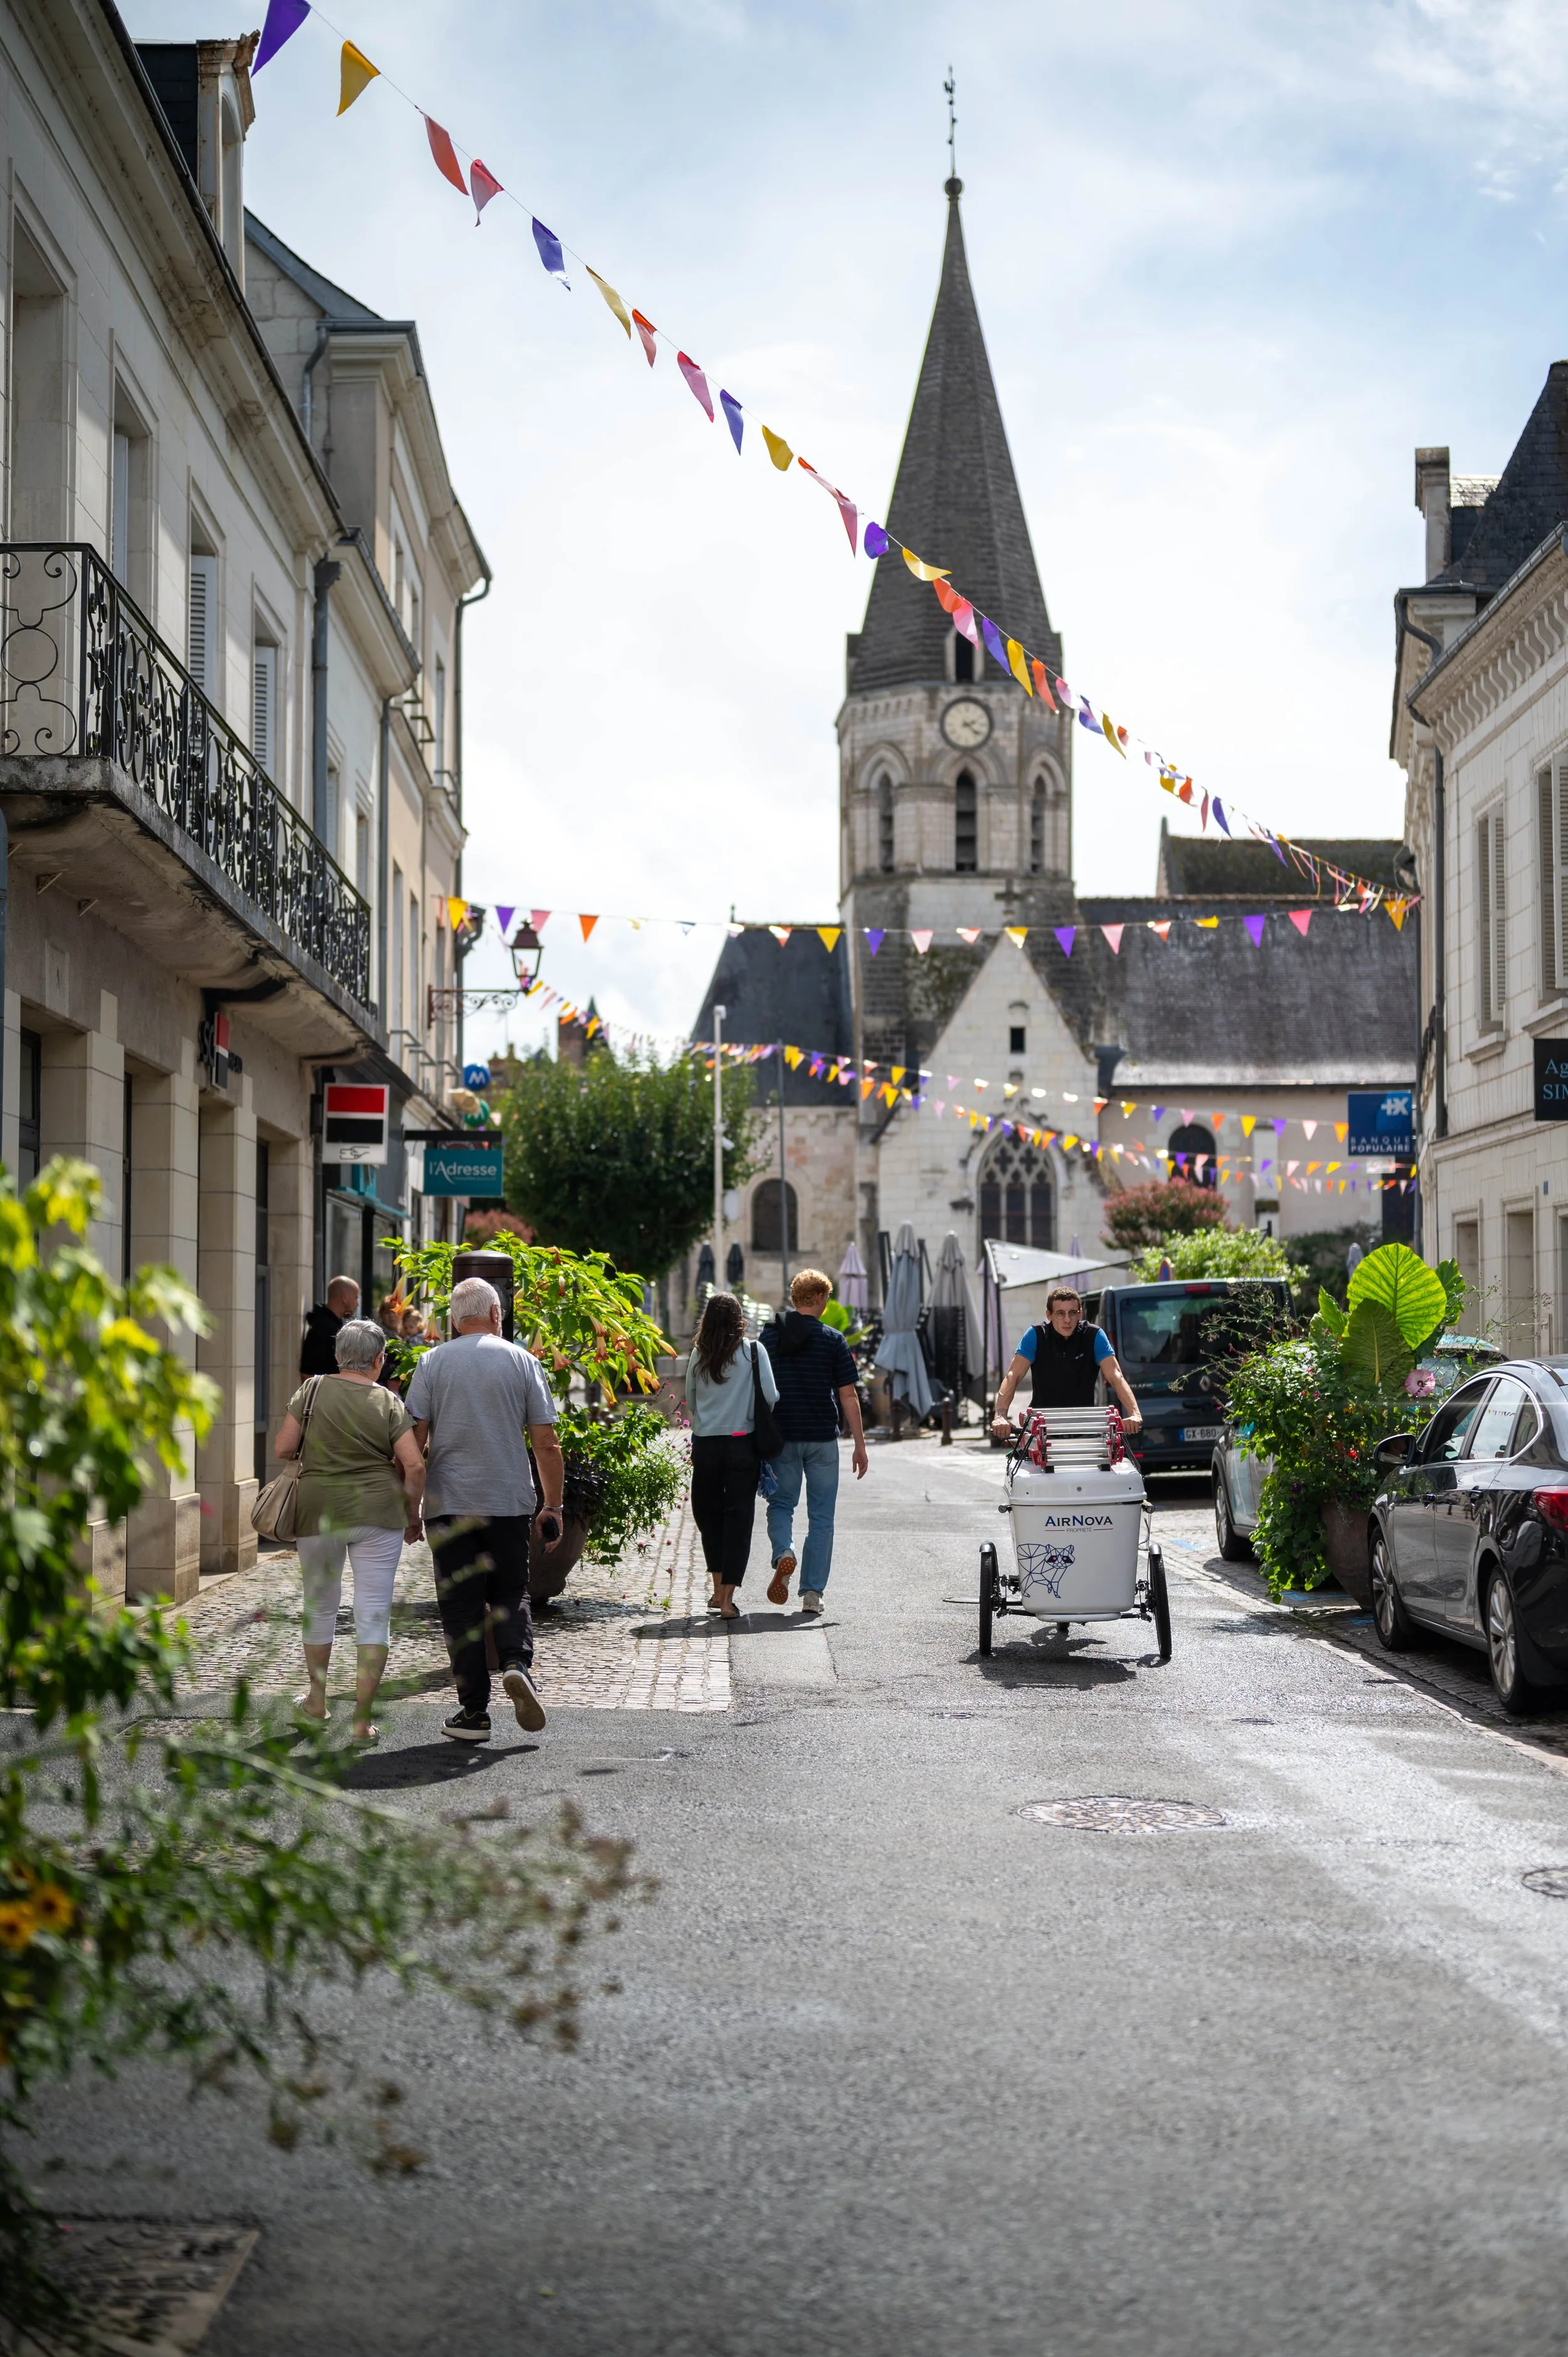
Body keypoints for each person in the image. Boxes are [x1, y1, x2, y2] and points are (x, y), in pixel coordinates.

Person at [405, 1276, 564, 1744]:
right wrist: (552, 1504)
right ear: (497, 1314)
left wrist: (411, 1508)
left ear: (453, 1320)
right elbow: (546, 1443)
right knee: (511, 1590)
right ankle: (516, 1663)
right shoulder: (523, 1360)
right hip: (508, 1500)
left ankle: (474, 1712)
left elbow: (414, 1442)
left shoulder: (431, 1362)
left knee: (460, 1604)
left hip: (449, 1502)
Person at [275, 1317, 426, 1745]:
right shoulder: (389, 1402)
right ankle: (361, 1722)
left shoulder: (312, 1390)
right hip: (378, 1512)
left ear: (338, 1356)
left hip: (319, 1508)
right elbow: (414, 1465)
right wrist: (412, 1515)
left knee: (320, 1605)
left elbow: (283, 1447)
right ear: (378, 1359)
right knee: (374, 1611)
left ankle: (318, 1702)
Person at [759, 1270, 867, 1618]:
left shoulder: (769, 1337)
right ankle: (812, 1594)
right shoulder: (833, 1339)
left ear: (795, 1298)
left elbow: (759, 1388)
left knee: (781, 1505)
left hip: (782, 1437)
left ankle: (784, 1552)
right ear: (820, 1297)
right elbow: (848, 1395)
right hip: (822, 1438)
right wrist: (860, 1445)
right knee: (822, 1518)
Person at [686, 1291, 778, 1619]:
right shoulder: (754, 1351)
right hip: (743, 1443)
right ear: (740, 1320)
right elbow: (771, 1395)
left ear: (707, 1321)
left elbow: (691, 1402)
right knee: (739, 1519)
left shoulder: (699, 1354)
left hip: (707, 1444)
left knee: (710, 1517)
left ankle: (716, 1588)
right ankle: (726, 1601)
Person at [990, 1285, 1143, 1437]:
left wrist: (1134, 1413)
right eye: (1060, 1314)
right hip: (1041, 1426)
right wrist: (1000, 1416)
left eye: (1073, 1313)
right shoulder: (1036, 1335)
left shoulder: (1094, 1335)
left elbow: (1116, 1376)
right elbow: (1013, 1376)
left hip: (1083, 1426)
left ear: (1080, 1314)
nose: (1067, 1320)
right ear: (1049, 1315)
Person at [300, 1274, 360, 1376]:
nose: (357, 1304)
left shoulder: (337, 1326)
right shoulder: (322, 1329)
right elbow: (307, 1373)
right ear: (344, 1298)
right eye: (355, 1298)